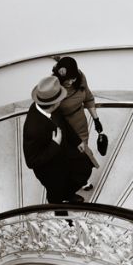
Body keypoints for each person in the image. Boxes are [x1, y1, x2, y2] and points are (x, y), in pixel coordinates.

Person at [23, 76, 87, 205]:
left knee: (83, 170)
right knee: (55, 193)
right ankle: (59, 213)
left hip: (64, 155)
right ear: (53, 104)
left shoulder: (50, 107)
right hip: (50, 170)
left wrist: (76, 141)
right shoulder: (33, 129)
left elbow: (64, 122)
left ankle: (68, 195)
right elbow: (31, 162)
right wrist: (54, 144)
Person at [52, 56, 104, 189]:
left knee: (82, 151)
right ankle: (77, 179)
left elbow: (88, 98)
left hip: (80, 121)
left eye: (72, 78)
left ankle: (81, 178)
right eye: (67, 79)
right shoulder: (53, 87)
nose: (70, 81)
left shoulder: (80, 77)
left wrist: (96, 119)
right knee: (73, 155)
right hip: (64, 126)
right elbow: (53, 113)